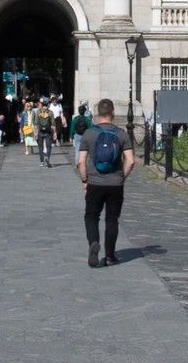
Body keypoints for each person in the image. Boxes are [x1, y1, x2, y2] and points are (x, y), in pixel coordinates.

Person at [77, 97, 135, 268]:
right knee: (112, 219)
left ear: (97, 114)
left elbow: (81, 161)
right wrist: (121, 177)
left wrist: (85, 180)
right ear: (113, 113)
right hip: (115, 184)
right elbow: (130, 161)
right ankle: (110, 256)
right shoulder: (121, 134)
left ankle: (94, 243)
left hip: (95, 182)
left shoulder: (89, 133)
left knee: (91, 216)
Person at [35, 99, 56, 166]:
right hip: (48, 131)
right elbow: (53, 124)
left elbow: (36, 123)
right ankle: (47, 157)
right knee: (48, 146)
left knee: (40, 147)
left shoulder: (38, 112)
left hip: (40, 131)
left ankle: (41, 162)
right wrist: (54, 133)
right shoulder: (50, 112)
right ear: (48, 105)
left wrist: (35, 133)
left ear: (42, 104)